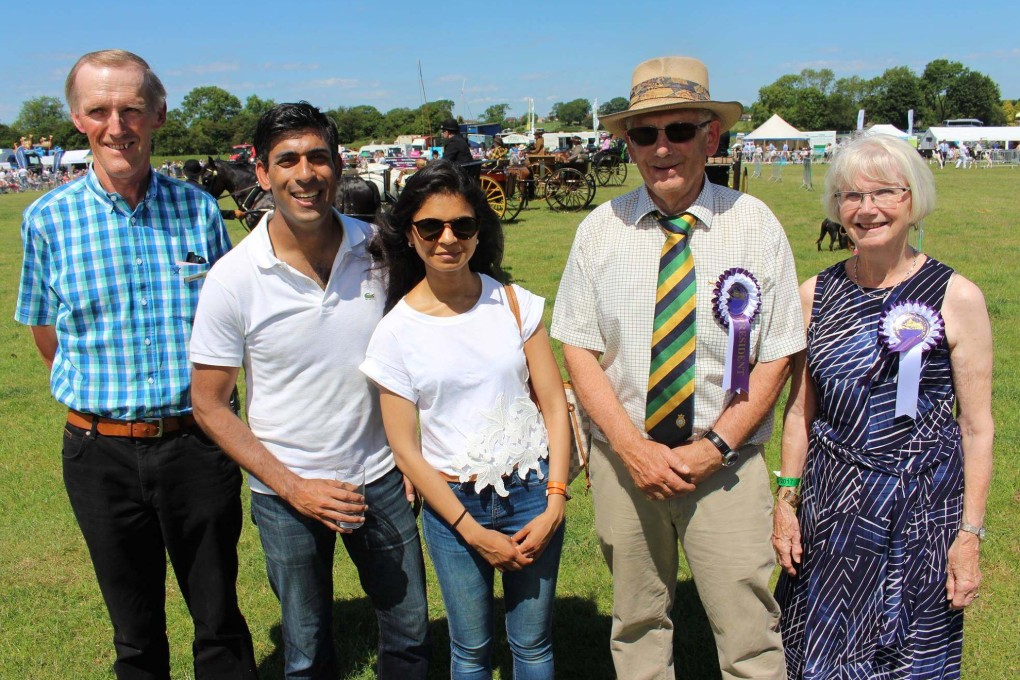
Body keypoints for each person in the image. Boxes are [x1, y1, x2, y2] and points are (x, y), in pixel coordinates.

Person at [551, 55, 803, 680]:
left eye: (680, 131)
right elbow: (578, 350)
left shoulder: (756, 224)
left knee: (749, 632)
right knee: (636, 625)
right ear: (628, 144)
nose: (662, 148)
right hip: (624, 464)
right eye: (645, 134)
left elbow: (777, 353)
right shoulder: (598, 230)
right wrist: (633, 449)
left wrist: (716, 444)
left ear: (710, 136)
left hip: (728, 464)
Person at [14, 49, 257, 679]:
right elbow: (48, 334)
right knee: (135, 629)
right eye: (99, 110)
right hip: (100, 453)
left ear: (158, 115)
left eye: (132, 109)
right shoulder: (46, 220)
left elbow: (224, 327)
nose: (116, 125)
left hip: (196, 443)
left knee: (219, 617)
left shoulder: (199, 211)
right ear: (77, 118)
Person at [189, 102, 430, 679]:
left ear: (339, 164)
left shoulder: (380, 249)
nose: (305, 173)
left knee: (410, 633)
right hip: (285, 492)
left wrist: (411, 456)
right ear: (264, 171)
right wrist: (294, 487)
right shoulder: (233, 277)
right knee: (305, 649)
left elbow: (419, 355)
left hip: (381, 477)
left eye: (318, 157)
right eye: (288, 160)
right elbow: (208, 404)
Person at [772, 134, 993, 679]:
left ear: (913, 200)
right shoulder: (813, 294)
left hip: (921, 511)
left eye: (884, 193)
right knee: (820, 656)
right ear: (836, 210)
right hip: (833, 509)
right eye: (850, 196)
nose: (866, 209)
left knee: (909, 659)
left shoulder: (955, 296)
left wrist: (970, 535)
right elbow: (800, 413)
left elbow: (977, 428)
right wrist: (786, 501)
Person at [360, 160, 570, 679]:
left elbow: (552, 403)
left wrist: (556, 500)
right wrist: (470, 530)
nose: (448, 238)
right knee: (470, 649)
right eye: (431, 227)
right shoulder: (394, 332)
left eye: (463, 225)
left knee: (534, 645)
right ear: (410, 235)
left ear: (479, 231)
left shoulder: (516, 304)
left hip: (533, 493)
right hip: (453, 507)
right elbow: (405, 449)